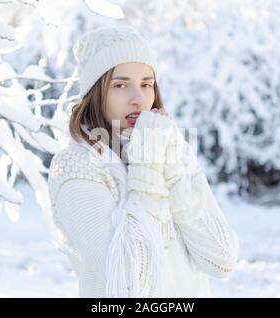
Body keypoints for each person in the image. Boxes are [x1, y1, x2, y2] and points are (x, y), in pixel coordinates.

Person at [47, 26, 239, 298]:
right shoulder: (76, 165)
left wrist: (170, 168)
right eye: (120, 85)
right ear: (94, 92)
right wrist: (147, 166)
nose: (138, 99)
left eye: (146, 84)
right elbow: (127, 284)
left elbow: (222, 260)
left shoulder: (170, 151)